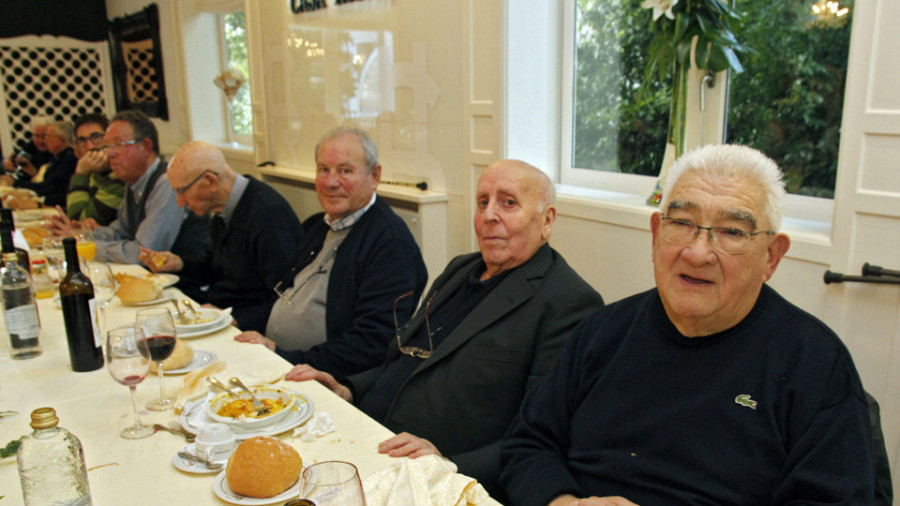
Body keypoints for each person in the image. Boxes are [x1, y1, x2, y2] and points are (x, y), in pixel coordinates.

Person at [500, 145, 876, 505]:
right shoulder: (602, 331)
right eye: (681, 223)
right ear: (654, 234)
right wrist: (563, 502)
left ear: (771, 257)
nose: (697, 253)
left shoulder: (815, 366)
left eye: (732, 232)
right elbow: (529, 443)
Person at [287, 159, 603, 501]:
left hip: (432, 478)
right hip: (366, 435)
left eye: (508, 203)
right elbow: (410, 359)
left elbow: (542, 436)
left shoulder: (568, 301)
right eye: (483, 202)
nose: (489, 215)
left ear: (547, 220)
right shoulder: (461, 269)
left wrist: (447, 464)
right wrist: (348, 387)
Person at [234, 127, 427, 379]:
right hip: (274, 360)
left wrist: (284, 356)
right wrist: (237, 322)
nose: (330, 182)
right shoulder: (319, 225)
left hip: (322, 379)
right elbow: (286, 296)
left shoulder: (390, 244)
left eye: (345, 171)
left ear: (375, 175)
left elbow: (373, 344)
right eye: (323, 169)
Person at [138, 141, 306, 333]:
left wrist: (234, 320)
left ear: (211, 181)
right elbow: (220, 268)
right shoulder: (222, 208)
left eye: (181, 191)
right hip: (222, 310)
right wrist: (181, 264)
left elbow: (287, 298)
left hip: (249, 326)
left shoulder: (267, 216)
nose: (179, 202)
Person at [46, 110, 210, 264]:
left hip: (186, 286)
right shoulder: (134, 181)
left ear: (146, 146)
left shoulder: (166, 183)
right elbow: (120, 232)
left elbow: (144, 254)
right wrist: (80, 236)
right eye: (108, 146)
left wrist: (84, 247)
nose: (110, 154)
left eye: (118, 145)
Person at [66, 113, 125, 227]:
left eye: (96, 137)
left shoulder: (120, 176)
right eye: (82, 140)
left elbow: (78, 221)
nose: (90, 147)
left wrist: (81, 174)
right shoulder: (96, 173)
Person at [13, 121, 77, 207]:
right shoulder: (57, 157)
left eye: (47, 137)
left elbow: (49, 187)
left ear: (59, 140)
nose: (44, 141)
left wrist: (17, 184)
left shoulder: (70, 158)